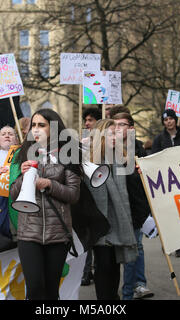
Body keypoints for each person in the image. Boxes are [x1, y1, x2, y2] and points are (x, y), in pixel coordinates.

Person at [9, 109, 82, 300]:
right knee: (34, 289)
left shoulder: (69, 153)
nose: (36, 129)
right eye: (33, 125)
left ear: (54, 127)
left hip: (57, 234)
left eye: (42, 125)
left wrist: (49, 184)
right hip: (28, 233)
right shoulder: (23, 152)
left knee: (51, 292)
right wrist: (23, 177)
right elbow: (14, 194)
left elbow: (73, 195)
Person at [86, 119, 138, 300]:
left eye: (116, 133)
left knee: (115, 266)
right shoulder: (88, 159)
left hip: (119, 220)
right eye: (110, 133)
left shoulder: (123, 159)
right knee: (104, 264)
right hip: (100, 222)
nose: (115, 136)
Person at [113, 112, 153, 300]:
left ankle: (135, 286)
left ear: (131, 128)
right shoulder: (108, 149)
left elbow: (146, 179)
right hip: (118, 207)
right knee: (126, 250)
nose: (118, 128)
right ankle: (130, 287)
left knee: (134, 246)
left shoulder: (138, 149)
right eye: (115, 125)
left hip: (136, 207)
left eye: (122, 124)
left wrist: (141, 171)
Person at [150, 109, 180, 258]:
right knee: (167, 214)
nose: (169, 122)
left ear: (175, 120)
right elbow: (154, 158)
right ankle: (167, 242)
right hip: (165, 182)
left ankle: (179, 245)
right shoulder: (159, 139)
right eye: (166, 120)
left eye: (171, 119)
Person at [80, 106, 102, 286]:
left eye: (91, 120)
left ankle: (98, 270)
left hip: (101, 195)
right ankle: (86, 272)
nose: (87, 123)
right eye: (85, 120)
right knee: (88, 237)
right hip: (86, 194)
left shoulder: (106, 144)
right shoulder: (82, 143)